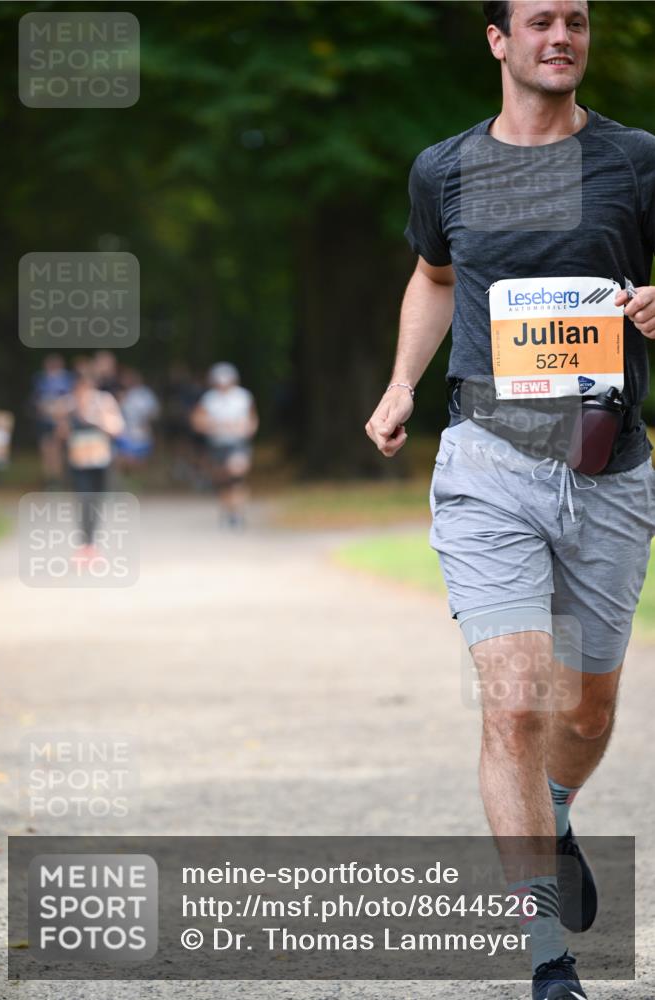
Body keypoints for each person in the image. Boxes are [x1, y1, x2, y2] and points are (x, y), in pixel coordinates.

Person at [365, 3, 655, 998]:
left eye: (574, 20)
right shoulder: (444, 168)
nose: (559, 36)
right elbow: (433, 275)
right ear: (497, 40)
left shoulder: (637, 162)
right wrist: (404, 381)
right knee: (513, 702)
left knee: (587, 707)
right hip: (486, 460)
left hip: (607, 466)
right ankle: (546, 960)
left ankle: (559, 809)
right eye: (537, 21)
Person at [54, 372, 124, 561]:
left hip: (100, 462)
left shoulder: (103, 403)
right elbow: (61, 432)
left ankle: (91, 544)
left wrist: (98, 419)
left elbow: (117, 428)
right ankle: (86, 545)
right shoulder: (69, 405)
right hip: (79, 463)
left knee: (96, 503)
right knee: (84, 502)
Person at [191, 362, 259, 528]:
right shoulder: (209, 399)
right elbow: (196, 421)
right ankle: (228, 510)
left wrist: (246, 429)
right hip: (217, 444)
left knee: (236, 473)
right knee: (223, 481)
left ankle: (237, 513)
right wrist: (212, 426)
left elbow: (252, 419)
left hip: (237, 443)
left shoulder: (243, 397)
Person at [31, 353, 74, 488]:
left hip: (61, 422)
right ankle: (51, 480)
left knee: (60, 451)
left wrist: (60, 412)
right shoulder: (41, 379)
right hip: (45, 421)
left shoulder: (68, 379)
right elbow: (37, 400)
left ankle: (60, 480)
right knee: (47, 451)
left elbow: (72, 399)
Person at [114, 367, 160, 472]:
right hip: (125, 434)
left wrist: (146, 420)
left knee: (139, 463)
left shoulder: (145, 394)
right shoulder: (123, 394)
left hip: (141, 435)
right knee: (122, 460)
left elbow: (154, 412)